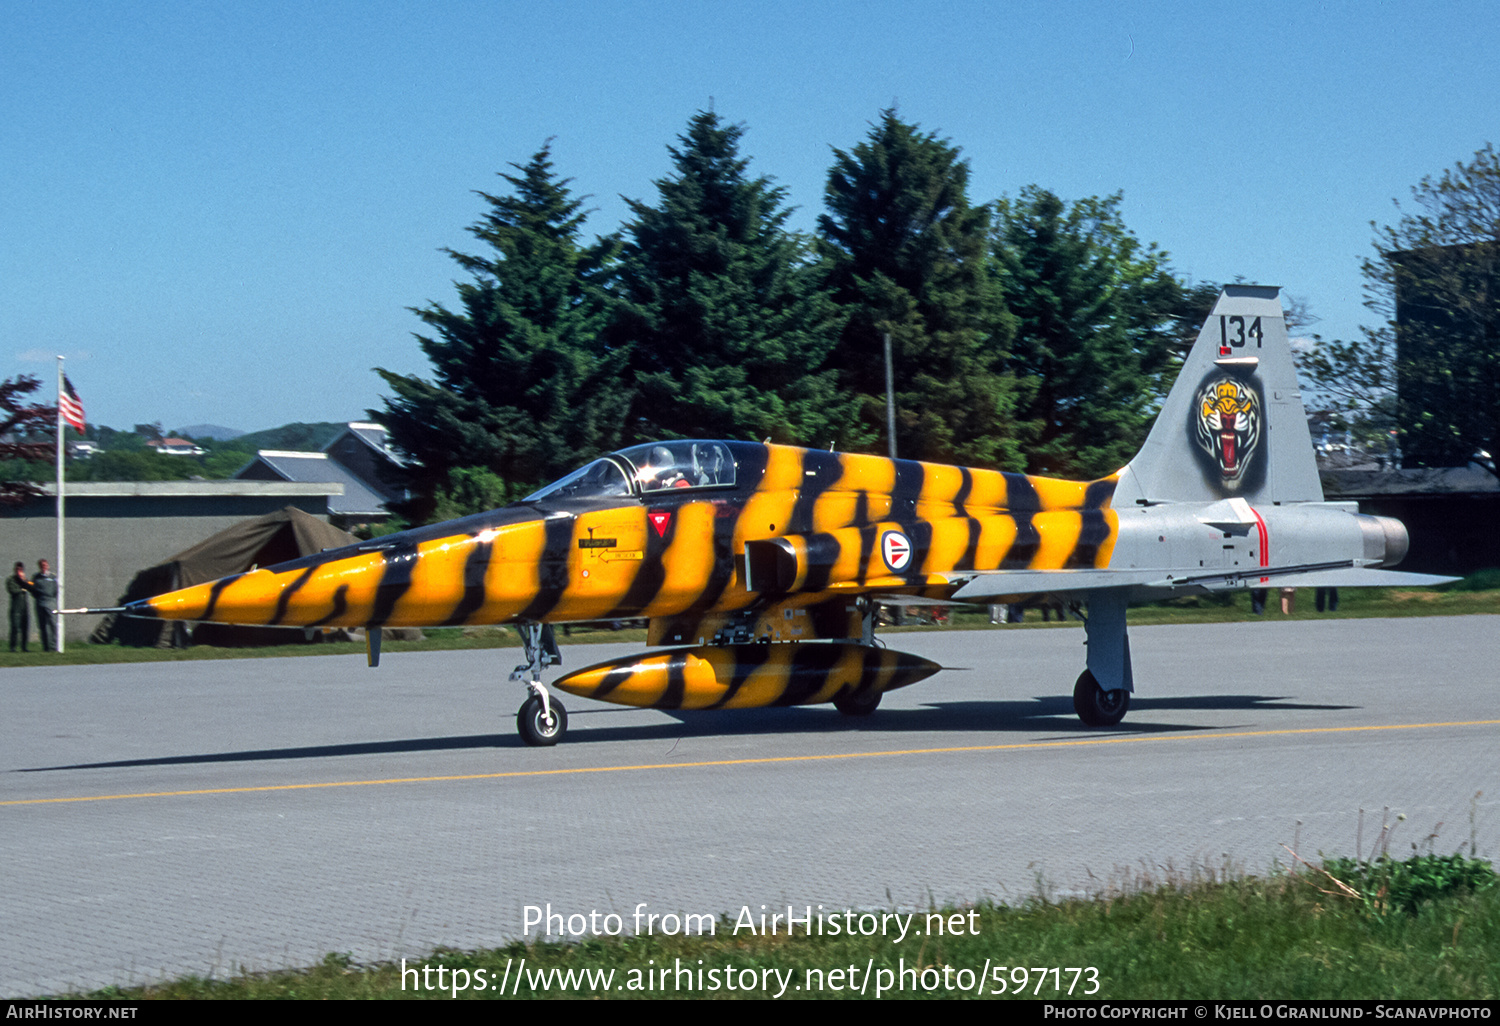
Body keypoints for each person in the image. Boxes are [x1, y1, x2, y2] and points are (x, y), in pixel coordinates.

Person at [31, 559, 58, 652]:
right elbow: (32, 589)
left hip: (51, 603)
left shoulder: (53, 577)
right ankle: (46, 647)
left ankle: (54, 646)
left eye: (45, 565)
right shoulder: (36, 577)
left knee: (53, 624)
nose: (44, 567)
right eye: (42, 565)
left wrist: (52, 599)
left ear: (48, 566)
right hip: (40, 603)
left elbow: (56, 590)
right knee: (42, 626)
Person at [7, 562, 30, 652]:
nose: (19, 571)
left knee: (25, 628)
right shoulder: (11, 579)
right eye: (17, 569)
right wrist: (22, 588)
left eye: (20, 569)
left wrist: (24, 581)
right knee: (15, 627)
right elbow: (13, 590)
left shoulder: (25, 579)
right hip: (15, 607)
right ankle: (13, 647)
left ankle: (24, 647)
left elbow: (31, 586)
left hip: (24, 607)